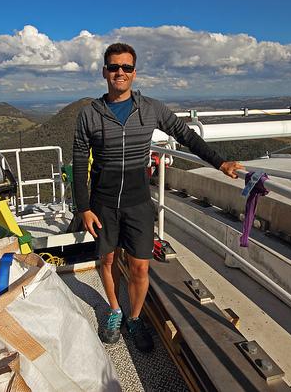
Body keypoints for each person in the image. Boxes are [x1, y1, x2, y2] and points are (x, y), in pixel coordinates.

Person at [72, 43, 243, 352]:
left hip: (138, 202)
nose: (119, 73)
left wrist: (220, 163)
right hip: (103, 202)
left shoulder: (151, 109)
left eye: (126, 67)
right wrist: (83, 207)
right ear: (104, 72)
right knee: (107, 259)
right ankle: (114, 310)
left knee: (139, 267)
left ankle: (134, 318)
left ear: (134, 73)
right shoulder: (89, 114)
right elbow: (79, 160)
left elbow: (187, 136)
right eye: (113, 67)